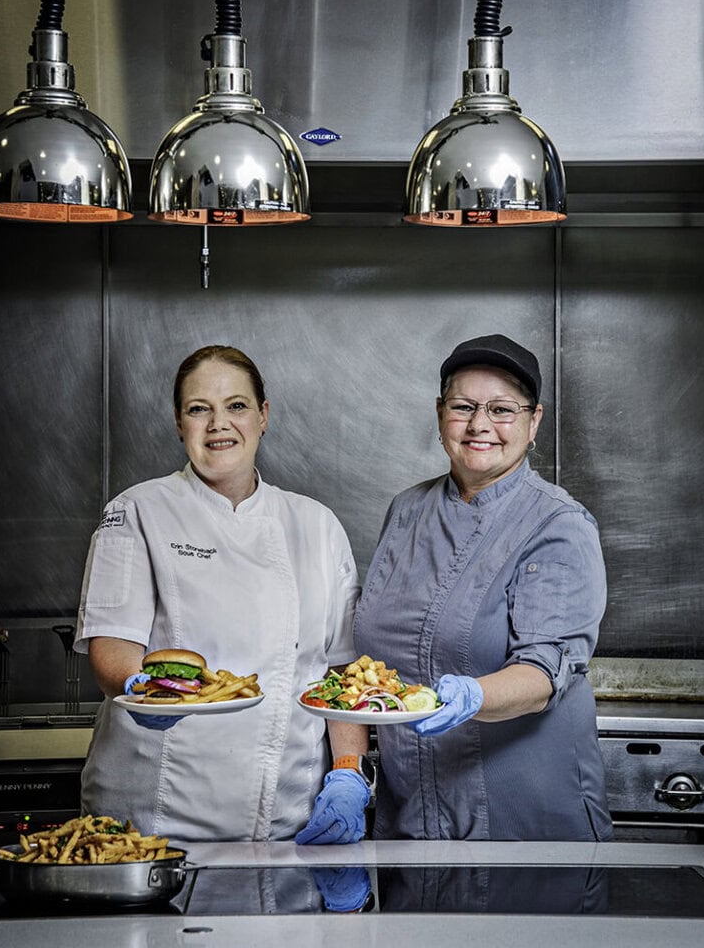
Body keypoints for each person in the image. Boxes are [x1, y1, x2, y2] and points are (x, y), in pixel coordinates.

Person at [74, 345, 372, 843]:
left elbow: (340, 676)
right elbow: (112, 653)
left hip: (291, 818)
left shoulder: (316, 525)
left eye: (236, 406)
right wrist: (147, 694)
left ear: (263, 416)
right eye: (198, 409)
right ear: (178, 423)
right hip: (158, 823)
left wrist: (347, 773)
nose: (219, 424)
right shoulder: (137, 512)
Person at [353, 334, 613, 841]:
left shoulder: (558, 523)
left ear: (534, 422)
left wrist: (471, 696)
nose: (479, 425)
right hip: (410, 817)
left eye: (502, 409)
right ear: (439, 413)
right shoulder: (406, 511)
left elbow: (545, 669)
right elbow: (363, 656)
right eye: (464, 406)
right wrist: (348, 772)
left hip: (524, 820)